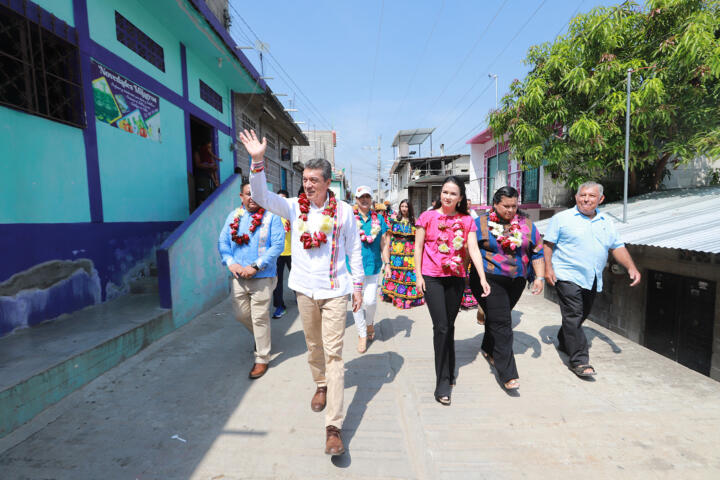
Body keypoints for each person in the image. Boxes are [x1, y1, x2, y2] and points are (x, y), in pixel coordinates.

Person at [240, 129, 363, 456]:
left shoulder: (345, 212)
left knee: (335, 354)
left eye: (313, 180)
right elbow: (263, 197)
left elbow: (354, 250)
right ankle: (320, 384)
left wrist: (358, 286)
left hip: (336, 291)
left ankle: (333, 427)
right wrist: (256, 161)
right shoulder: (294, 207)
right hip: (305, 292)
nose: (307, 184)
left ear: (327, 183)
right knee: (313, 346)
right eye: (305, 179)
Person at [543, 181, 641, 378]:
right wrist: (548, 269)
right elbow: (548, 244)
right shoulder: (562, 218)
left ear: (600, 199)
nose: (586, 199)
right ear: (576, 197)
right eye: (582, 195)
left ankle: (564, 340)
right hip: (567, 274)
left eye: (591, 196)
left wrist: (631, 267)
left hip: (592, 277)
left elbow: (617, 246)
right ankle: (579, 361)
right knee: (573, 314)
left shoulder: (606, 221)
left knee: (580, 315)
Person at [415, 176, 490, 406]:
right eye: (445, 192)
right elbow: (417, 247)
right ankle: (443, 382)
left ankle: (450, 363)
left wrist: (482, 277)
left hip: (456, 279)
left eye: (453, 194)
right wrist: (418, 275)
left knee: (449, 324)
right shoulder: (427, 217)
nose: (447, 197)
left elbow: (473, 250)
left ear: (460, 198)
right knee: (441, 327)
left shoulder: (467, 220)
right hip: (432, 278)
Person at [469, 186, 545, 391]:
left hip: (516, 280)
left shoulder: (527, 225)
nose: (511, 210)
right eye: (506, 206)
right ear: (495, 204)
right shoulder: (480, 224)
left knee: (497, 317)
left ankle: (487, 347)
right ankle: (507, 373)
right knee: (503, 323)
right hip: (488, 279)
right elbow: (468, 250)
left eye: (514, 206)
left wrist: (539, 277)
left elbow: (537, 252)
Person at [218, 182, 284, 380]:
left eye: (256, 195)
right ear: (241, 196)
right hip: (238, 276)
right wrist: (231, 263)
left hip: (262, 276)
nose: (252, 198)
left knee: (259, 317)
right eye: (248, 194)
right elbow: (223, 242)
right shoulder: (234, 216)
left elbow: (277, 246)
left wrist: (255, 266)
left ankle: (262, 357)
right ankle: (261, 338)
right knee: (241, 314)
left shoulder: (271, 217)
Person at [351, 186, 388, 354]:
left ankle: (369, 322)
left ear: (371, 199)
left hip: (373, 267)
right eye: (361, 197)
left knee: (370, 301)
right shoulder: (350, 218)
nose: (364, 199)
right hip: (353, 268)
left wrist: (387, 264)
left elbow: (384, 243)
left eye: (367, 196)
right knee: (357, 302)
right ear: (356, 199)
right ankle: (362, 334)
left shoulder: (379, 219)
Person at [381, 199, 424, 310]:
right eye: (402, 206)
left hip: (410, 250)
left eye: (406, 206)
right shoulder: (394, 219)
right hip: (396, 250)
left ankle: (409, 298)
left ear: (410, 207)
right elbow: (388, 237)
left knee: (408, 274)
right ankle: (395, 296)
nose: (404, 208)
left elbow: (419, 238)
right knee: (397, 272)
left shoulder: (415, 221)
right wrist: (388, 251)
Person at [272, 189, 292, 318]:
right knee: (277, 282)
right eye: (278, 198)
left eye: (283, 198)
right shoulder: (272, 214)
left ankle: (302, 300)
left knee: (298, 278)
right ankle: (280, 306)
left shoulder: (293, 213)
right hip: (277, 254)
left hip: (293, 252)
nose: (281, 201)